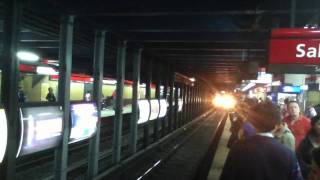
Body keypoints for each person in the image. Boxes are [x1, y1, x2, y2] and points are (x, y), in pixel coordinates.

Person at [220, 102, 303, 180]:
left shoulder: (237, 148)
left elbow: (226, 176)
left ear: (252, 123)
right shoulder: (287, 153)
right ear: (276, 126)